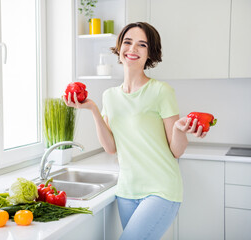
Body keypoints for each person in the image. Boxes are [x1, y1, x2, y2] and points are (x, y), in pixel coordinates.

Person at [63, 22, 207, 240]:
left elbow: (177, 151)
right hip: (127, 191)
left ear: (150, 54)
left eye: (142, 45)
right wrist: (92, 109)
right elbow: (111, 147)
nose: (132, 49)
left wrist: (179, 130)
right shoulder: (109, 96)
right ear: (119, 47)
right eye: (128, 42)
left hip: (161, 189)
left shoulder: (161, 91)